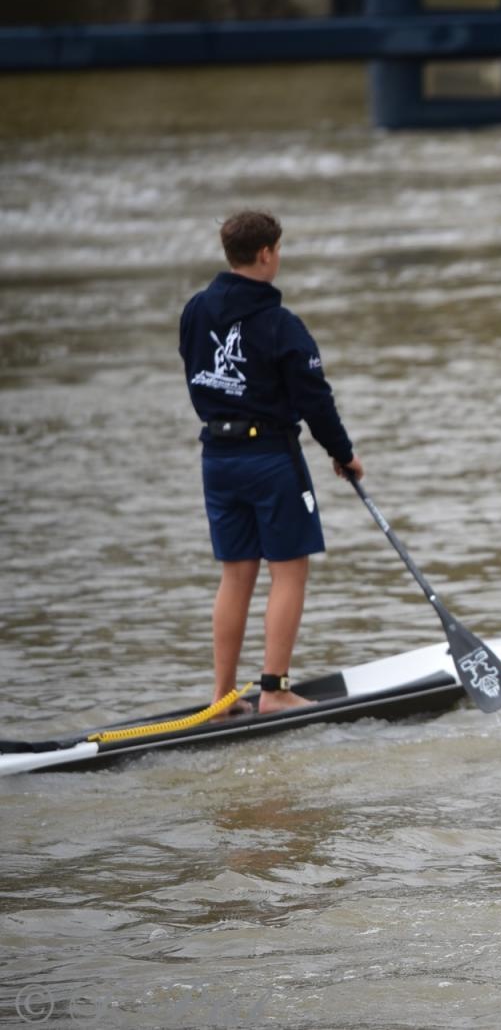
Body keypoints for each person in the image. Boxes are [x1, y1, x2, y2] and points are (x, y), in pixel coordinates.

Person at [180, 211, 364, 715]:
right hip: (269, 460)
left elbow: (195, 375)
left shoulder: (195, 310)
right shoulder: (282, 325)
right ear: (265, 254)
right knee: (289, 572)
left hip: (217, 459)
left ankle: (222, 695)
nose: (279, 257)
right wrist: (343, 454)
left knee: (235, 573)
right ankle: (274, 691)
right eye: (279, 250)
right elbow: (315, 401)